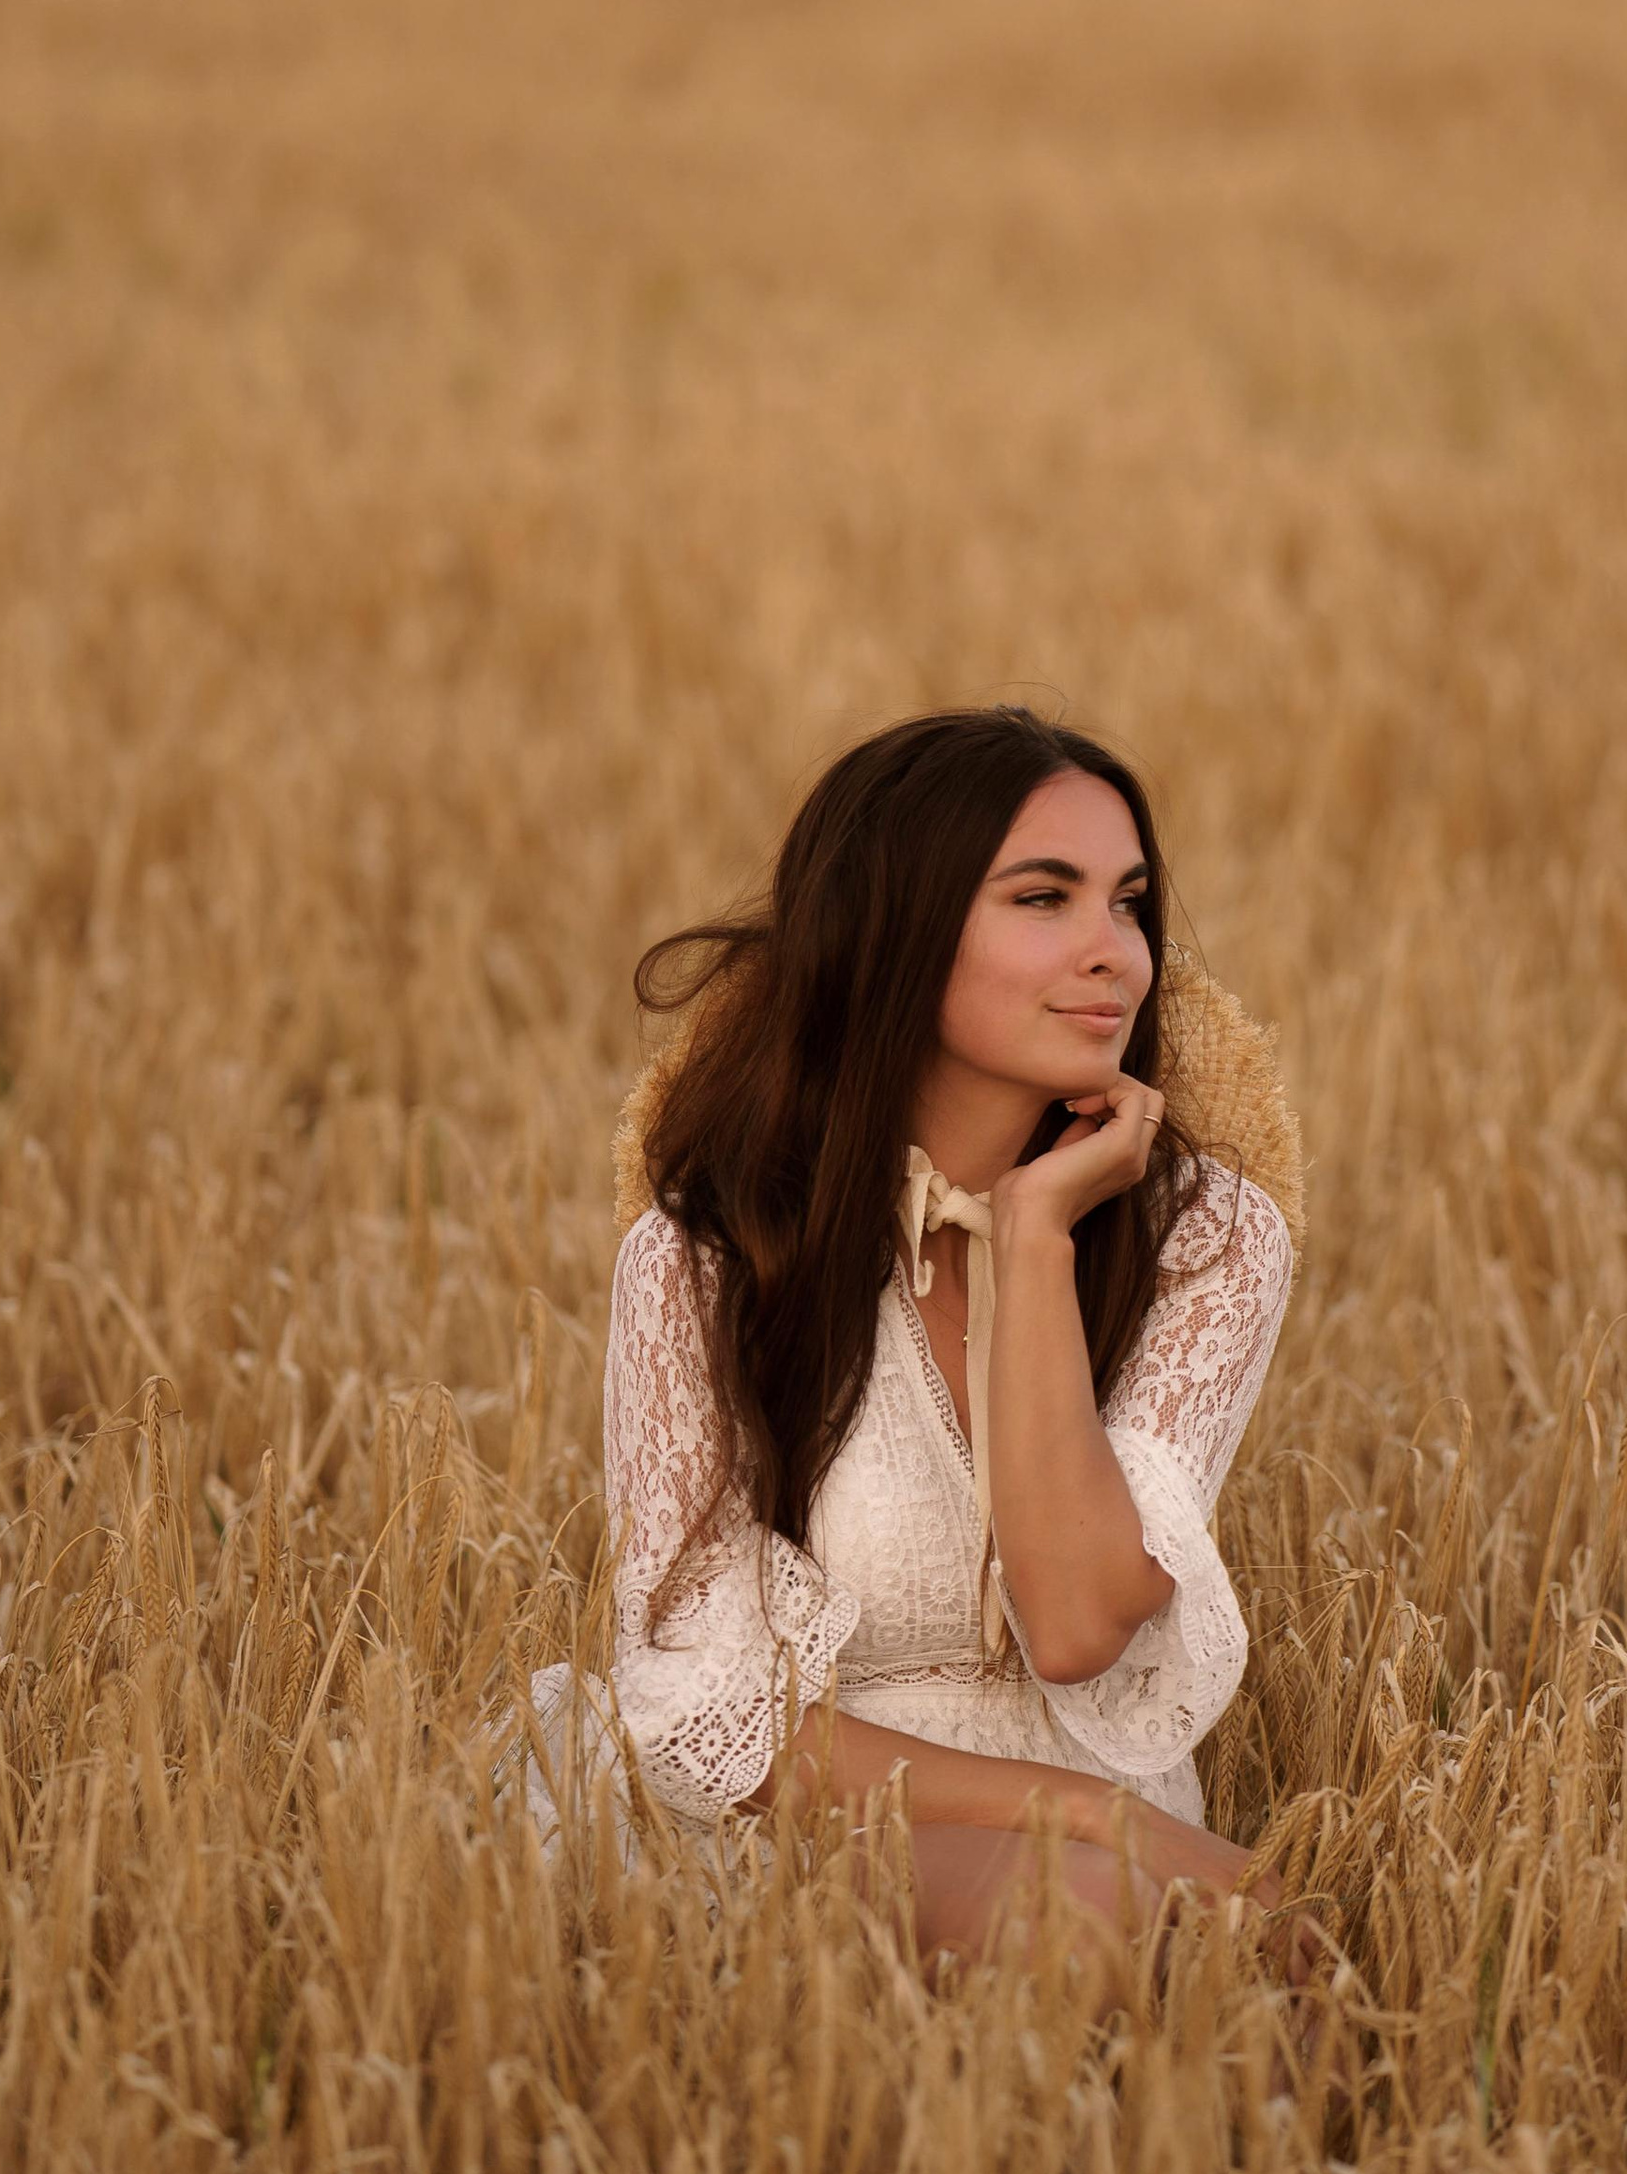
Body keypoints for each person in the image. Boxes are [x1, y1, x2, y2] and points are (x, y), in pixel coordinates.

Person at [525, 705, 1299, 1971]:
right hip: (816, 1840)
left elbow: (1075, 1625)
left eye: (1130, 903)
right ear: (893, 929)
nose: (1114, 953)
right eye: (1043, 898)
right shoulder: (709, 1257)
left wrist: (1038, 1238)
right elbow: (712, 1714)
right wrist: (1090, 1820)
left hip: (1132, 1848)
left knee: (1253, 1984)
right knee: (1090, 1917)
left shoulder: (1207, 1237)